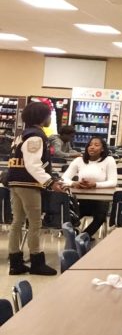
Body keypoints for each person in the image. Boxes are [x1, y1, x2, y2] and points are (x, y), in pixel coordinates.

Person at [7, 101, 66, 275]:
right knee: (35, 223)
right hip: (28, 184)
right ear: (42, 117)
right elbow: (33, 165)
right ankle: (36, 261)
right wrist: (50, 183)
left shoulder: (22, 135)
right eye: (48, 115)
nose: (50, 118)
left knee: (17, 222)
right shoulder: (35, 137)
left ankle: (15, 261)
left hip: (15, 182)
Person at [62, 136, 118, 237]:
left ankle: (83, 237)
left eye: (96, 145)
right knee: (72, 216)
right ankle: (73, 235)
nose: (92, 147)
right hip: (81, 198)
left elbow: (113, 182)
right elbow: (64, 178)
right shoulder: (79, 160)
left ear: (102, 149)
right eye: (90, 145)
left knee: (100, 217)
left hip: (100, 199)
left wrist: (95, 185)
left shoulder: (109, 160)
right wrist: (73, 183)